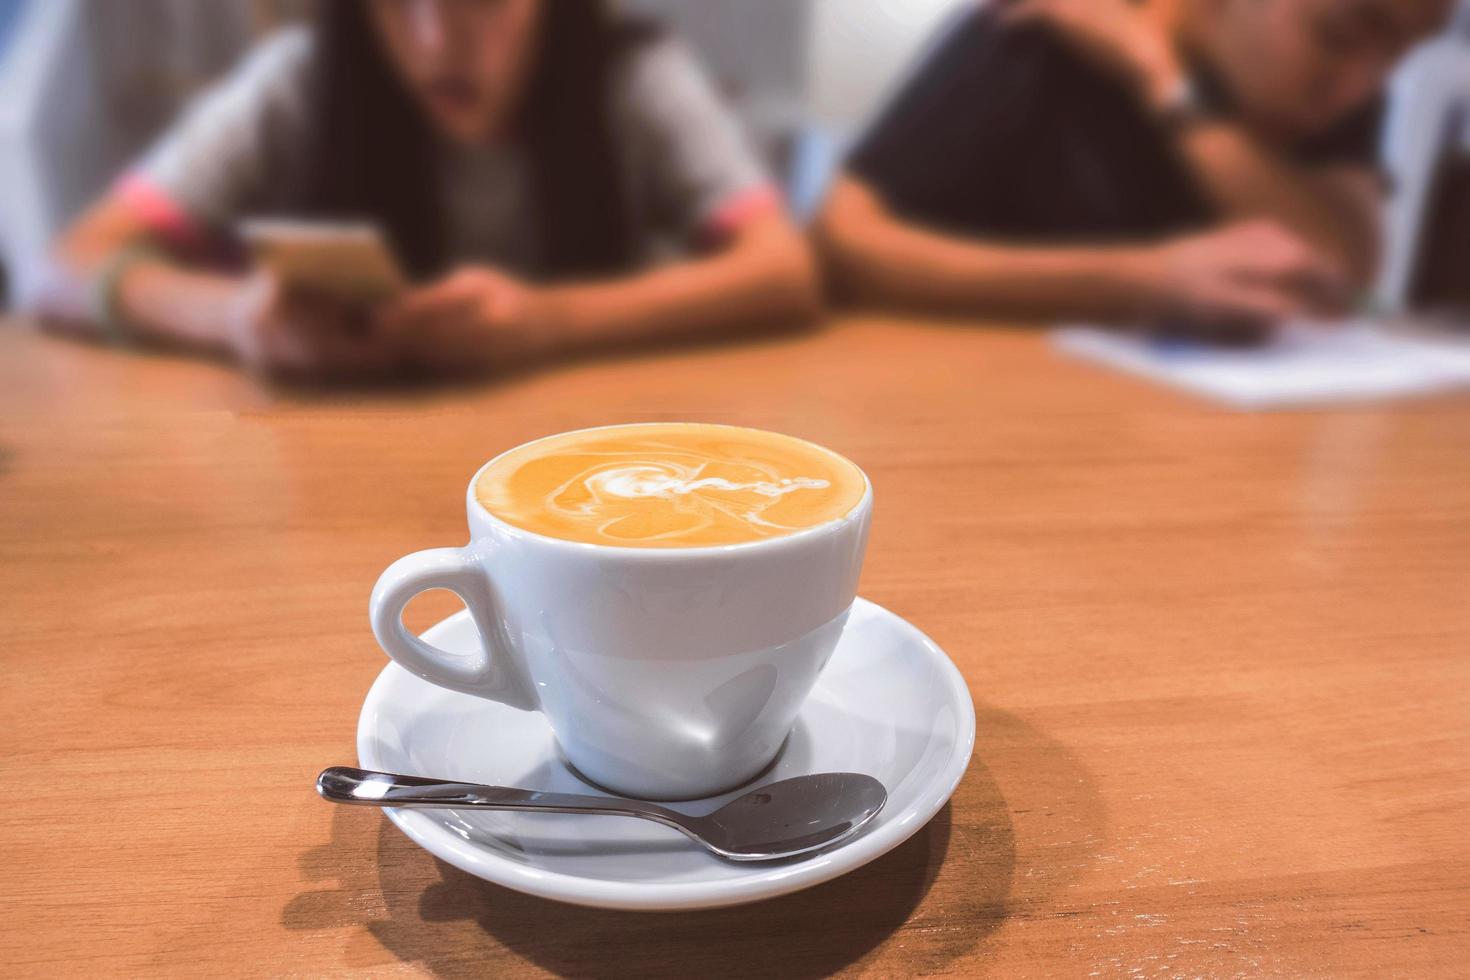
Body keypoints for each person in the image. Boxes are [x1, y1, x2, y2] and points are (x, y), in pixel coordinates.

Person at [38, 0, 818, 381]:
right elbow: (62, 265)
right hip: (331, 488)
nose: (438, 40)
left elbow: (784, 269)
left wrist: (552, 320)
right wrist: (232, 315)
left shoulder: (633, 78)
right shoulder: (301, 81)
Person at [814, 0, 1451, 331]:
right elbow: (844, 239)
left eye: (1397, 53)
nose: (1365, 85)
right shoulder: (1043, 28)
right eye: (1341, 33)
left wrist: (1164, 83)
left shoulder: (1337, 88)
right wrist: (1141, 280)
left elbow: (1340, 269)